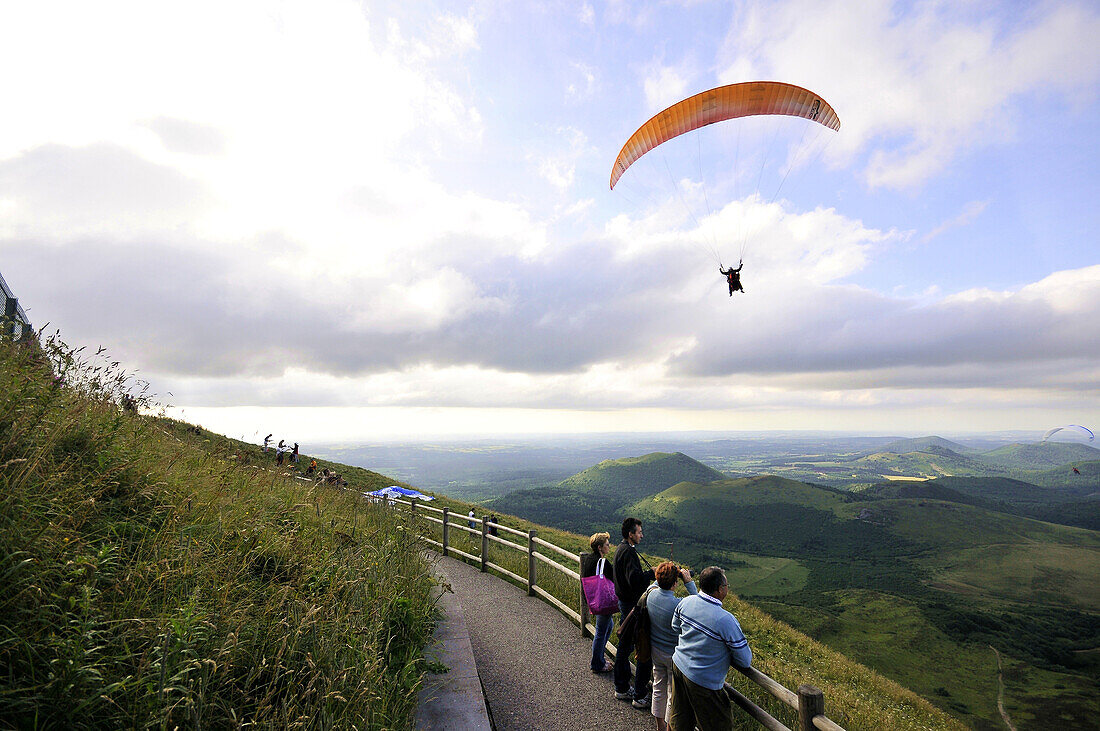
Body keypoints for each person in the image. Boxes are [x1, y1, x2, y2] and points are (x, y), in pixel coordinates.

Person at [669, 567, 752, 731]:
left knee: (681, 718)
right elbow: (745, 660)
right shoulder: (726, 620)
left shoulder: (686, 602)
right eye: (727, 585)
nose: (727, 588)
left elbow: (675, 627)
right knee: (718, 724)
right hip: (703, 679)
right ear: (720, 589)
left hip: (679, 665)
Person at [647, 561, 698, 730]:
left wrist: (664, 573)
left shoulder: (651, 594)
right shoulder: (678, 605)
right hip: (672, 654)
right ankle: (669, 727)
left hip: (655, 649)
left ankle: (659, 726)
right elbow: (697, 603)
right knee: (671, 694)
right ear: (675, 583)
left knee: (658, 687)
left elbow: (656, 584)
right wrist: (688, 581)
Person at [614, 517, 656, 706]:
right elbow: (635, 580)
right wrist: (651, 574)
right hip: (631, 604)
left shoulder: (622, 548)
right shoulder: (629, 553)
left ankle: (622, 686)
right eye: (639, 532)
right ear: (630, 534)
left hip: (625, 602)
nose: (641, 535)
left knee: (625, 645)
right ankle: (622, 687)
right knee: (627, 646)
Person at [581, 532, 616, 674]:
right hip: (603, 602)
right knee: (601, 631)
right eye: (607, 544)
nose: (609, 547)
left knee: (608, 627)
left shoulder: (589, 559)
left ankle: (600, 658)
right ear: (600, 547)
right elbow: (615, 578)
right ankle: (597, 663)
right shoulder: (603, 563)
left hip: (592, 599)